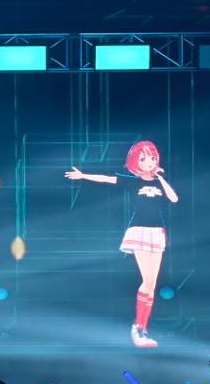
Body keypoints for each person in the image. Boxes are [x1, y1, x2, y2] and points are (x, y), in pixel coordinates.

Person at [65, 140, 179, 348]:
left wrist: (161, 178)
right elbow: (107, 179)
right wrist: (83, 175)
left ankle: (142, 328)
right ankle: (138, 327)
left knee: (152, 285)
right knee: (147, 281)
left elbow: (174, 198)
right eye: (144, 159)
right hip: (140, 231)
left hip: (157, 232)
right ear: (136, 162)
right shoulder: (132, 182)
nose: (149, 162)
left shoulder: (158, 181)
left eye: (152, 158)